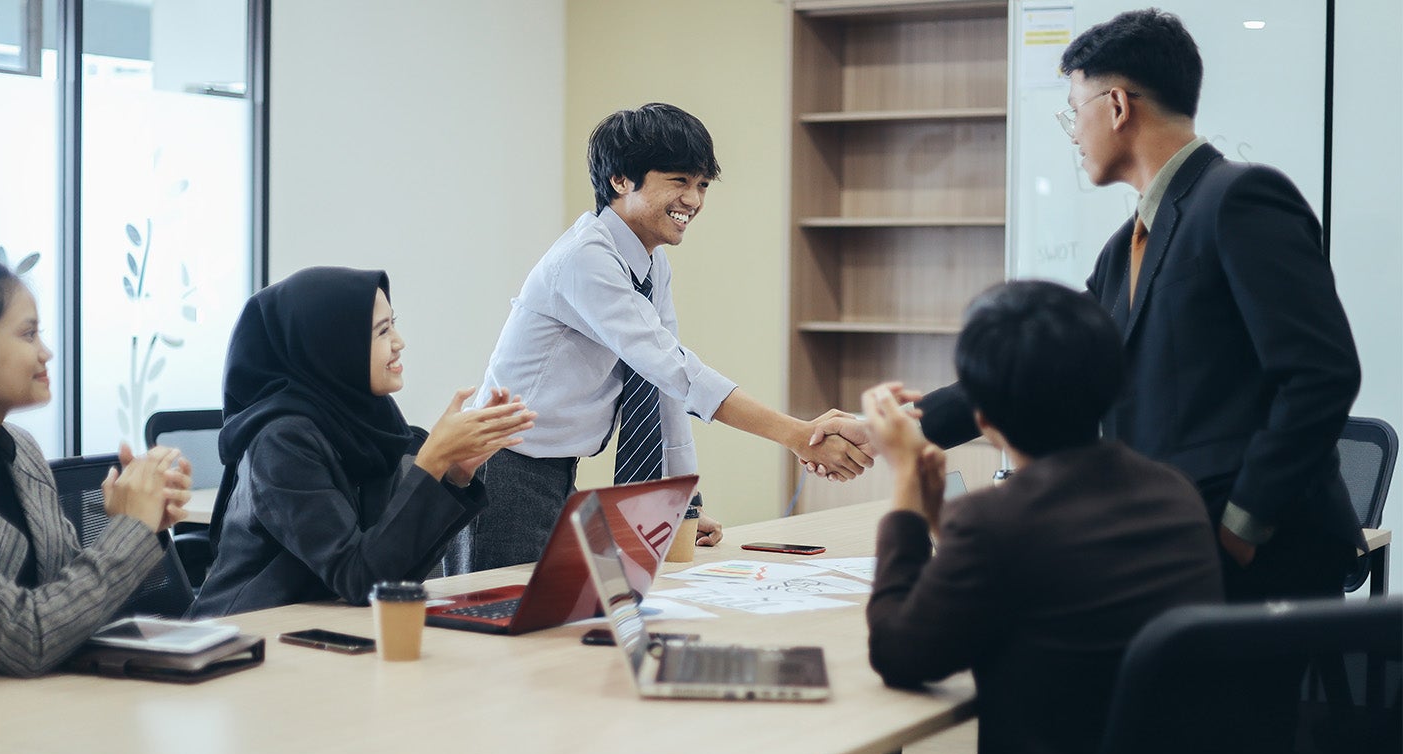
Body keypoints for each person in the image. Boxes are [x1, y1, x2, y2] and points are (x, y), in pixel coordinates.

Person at [814, 8, 1363, 603]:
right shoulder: (1126, 244)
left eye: (1073, 111)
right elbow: (1036, 363)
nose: (1072, 132)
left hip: (1259, 555)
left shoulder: (1239, 198)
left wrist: (1242, 526)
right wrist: (886, 429)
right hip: (1177, 545)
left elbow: (1320, 376)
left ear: (1118, 105)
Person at [449, 102, 869, 573]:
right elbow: (674, 368)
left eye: (702, 184)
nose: (693, 200)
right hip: (503, 466)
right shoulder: (586, 258)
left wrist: (683, 503)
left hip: (552, 466)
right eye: (679, 181)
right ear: (620, 181)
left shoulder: (651, 264)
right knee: (496, 622)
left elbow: (668, 387)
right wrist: (796, 434)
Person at [864, 280, 1223, 754]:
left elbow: (900, 653)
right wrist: (941, 514)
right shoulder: (1174, 491)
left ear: (982, 418)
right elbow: (1026, 560)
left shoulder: (998, 522)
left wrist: (905, 490)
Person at [188, 266, 534, 617]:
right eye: (382, 331)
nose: (399, 342)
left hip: (323, 627)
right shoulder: (281, 441)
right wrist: (430, 463)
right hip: (242, 635)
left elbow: (393, 572)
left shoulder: (370, 426)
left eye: (393, 324)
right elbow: (359, 578)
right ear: (334, 347)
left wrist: (453, 474)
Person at [0, 255, 193, 677]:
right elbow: (24, 640)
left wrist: (143, 524)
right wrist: (130, 533)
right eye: (29, 334)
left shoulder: (21, 451)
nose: (46, 352)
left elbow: (70, 606)